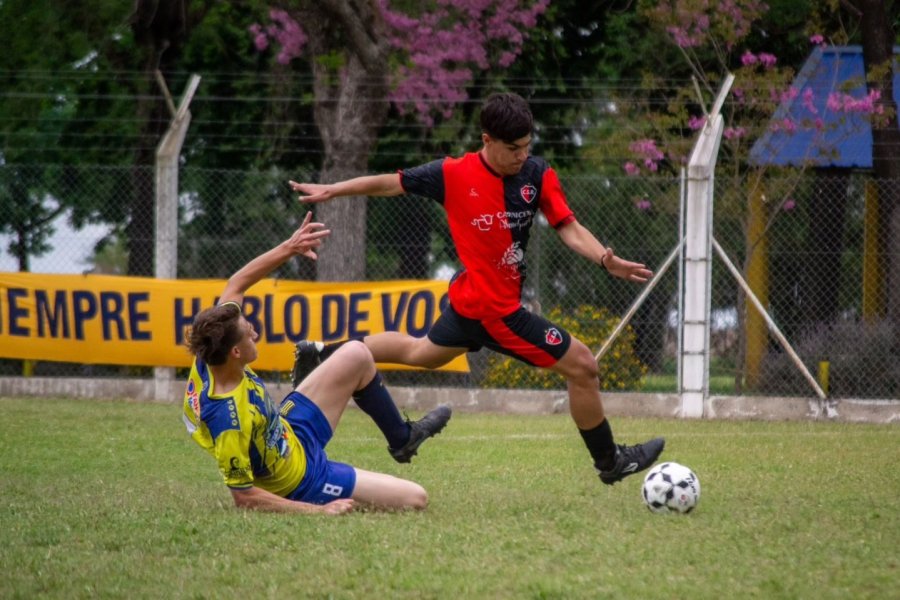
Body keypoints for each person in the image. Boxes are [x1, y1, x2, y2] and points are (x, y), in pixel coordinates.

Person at [288, 92, 665, 487]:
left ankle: (323, 353)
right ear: (487, 140)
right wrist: (334, 190)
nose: (522, 155)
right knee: (584, 366)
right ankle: (611, 461)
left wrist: (605, 258)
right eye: (513, 148)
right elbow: (391, 184)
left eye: (527, 145)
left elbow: (567, 226)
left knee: (422, 352)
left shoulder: (537, 174)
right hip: (494, 312)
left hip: (469, 302)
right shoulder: (452, 174)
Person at [182, 211, 452, 515]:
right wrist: (316, 510)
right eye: (249, 333)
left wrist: (290, 247)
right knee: (416, 498)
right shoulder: (228, 419)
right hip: (302, 480)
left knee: (356, 353)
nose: (255, 332)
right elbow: (244, 497)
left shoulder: (210, 350)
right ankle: (324, 489)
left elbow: (236, 284)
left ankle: (404, 439)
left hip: (289, 428)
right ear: (235, 352)